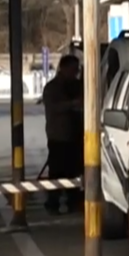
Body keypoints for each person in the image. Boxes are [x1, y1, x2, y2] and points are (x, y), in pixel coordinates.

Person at [41, 54, 84, 214]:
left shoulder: (78, 86)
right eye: (73, 69)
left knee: (75, 170)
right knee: (57, 171)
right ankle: (53, 203)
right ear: (63, 68)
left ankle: (74, 201)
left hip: (77, 135)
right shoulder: (52, 88)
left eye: (77, 70)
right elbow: (53, 107)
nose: (75, 73)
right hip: (59, 136)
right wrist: (72, 104)